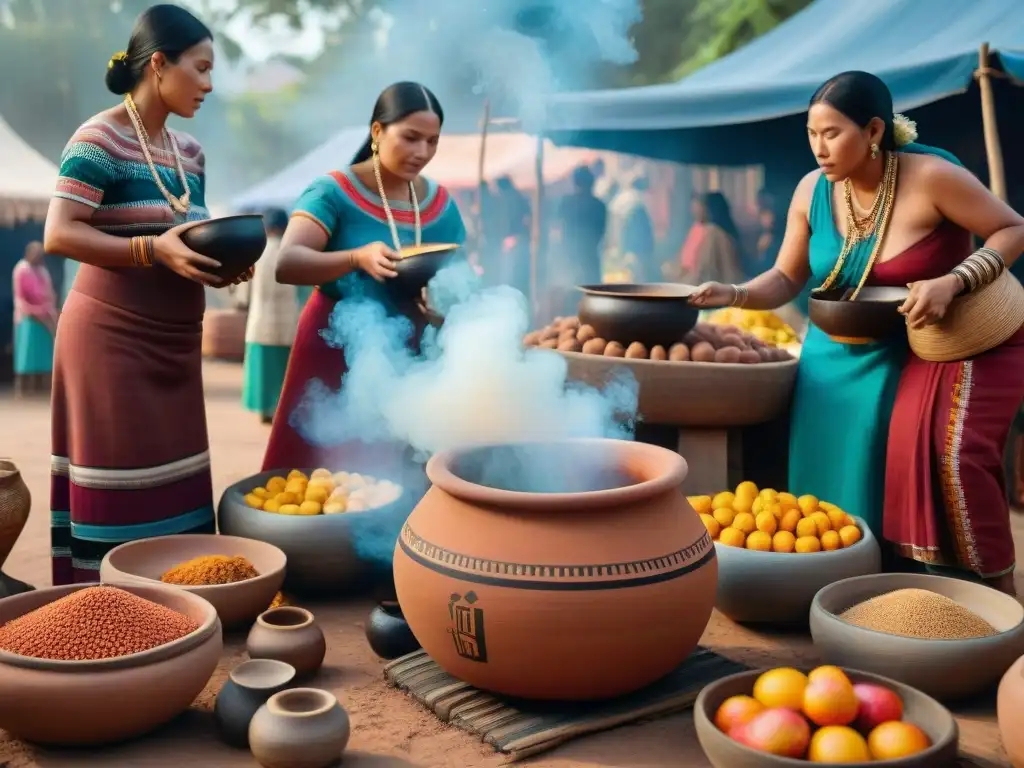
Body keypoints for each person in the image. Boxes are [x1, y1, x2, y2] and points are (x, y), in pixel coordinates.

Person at [690, 71, 1024, 595]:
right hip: (826, 355)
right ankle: (824, 591)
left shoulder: (932, 177)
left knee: (903, 467)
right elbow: (785, 278)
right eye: (811, 133)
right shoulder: (810, 190)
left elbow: (1014, 228)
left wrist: (954, 281)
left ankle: (894, 594)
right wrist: (732, 294)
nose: (819, 148)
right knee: (816, 498)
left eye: (832, 133)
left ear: (873, 131)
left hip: (906, 349)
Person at [42, 4, 240, 585]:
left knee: (174, 493)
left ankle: (179, 613)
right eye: (200, 69)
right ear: (159, 64)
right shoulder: (98, 138)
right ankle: (112, 615)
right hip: (111, 341)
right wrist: (153, 251)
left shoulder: (192, 155)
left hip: (176, 346)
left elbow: (186, 237)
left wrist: (219, 267)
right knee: (118, 490)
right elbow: (59, 232)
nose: (208, 84)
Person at [264, 81, 466, 471]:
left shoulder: (440, 203)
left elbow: (461, 273)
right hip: (333, 346)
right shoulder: (332, 191)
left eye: (432, 141)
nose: (422, 152)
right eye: (410, 138)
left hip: (411, 353)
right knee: (319, 481)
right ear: (377, 132)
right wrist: (356, 257)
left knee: (399, 479)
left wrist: (446, 300)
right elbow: (288, 262)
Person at [243, 208, 297, 424]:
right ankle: (280, 409)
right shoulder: (290, 252)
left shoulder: (257, 252)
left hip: (259, 321)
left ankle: (265, 410)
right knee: (282, 370)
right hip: (287, 322)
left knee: (262, 370)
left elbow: (241, 290)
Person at [551, 165, 606, 314]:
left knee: (571, 300)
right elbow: (601, 233)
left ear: (575, 183)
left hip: (569, 258)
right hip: (590, 258)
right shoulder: (599, 205)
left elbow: (558, 230)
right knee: (592, 300)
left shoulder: (566, 203)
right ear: (591, 183)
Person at [11, 241, 57, 398]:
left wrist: (48, 311)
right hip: (27, 317)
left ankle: (42, 389)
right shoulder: (20, 270)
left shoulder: (43, 271)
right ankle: (23, 389)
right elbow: (19, 299)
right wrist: (33, 312)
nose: (38, 257)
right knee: (26, 356)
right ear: (28, 253)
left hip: (44, 316)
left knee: (45, 354)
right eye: (35, 253)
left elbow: (49, 295)